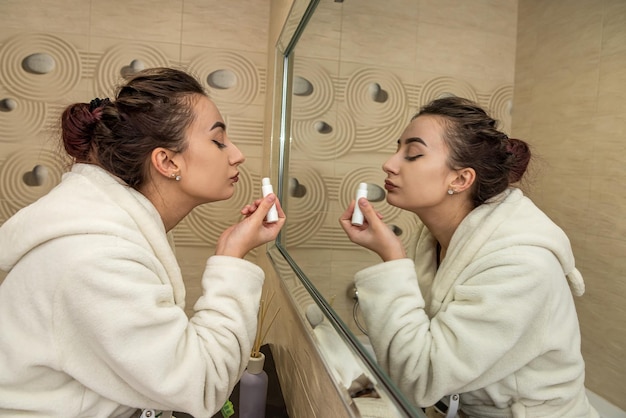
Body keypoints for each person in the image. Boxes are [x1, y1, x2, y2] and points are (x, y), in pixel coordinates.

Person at [0, 67, 285, 417]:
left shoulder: (114, 232)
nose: (236, 154)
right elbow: (201, 385)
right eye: (218, 140)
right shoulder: (95, 259)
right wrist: (233, 257)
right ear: (166, 161)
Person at [339, 96, 598, 418]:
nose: (390, 164)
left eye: (413, 154)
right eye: (398, 149)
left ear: (460, 179)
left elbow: (421, 377)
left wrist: (392, 258)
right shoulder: (436, 236)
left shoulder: (522, 264)